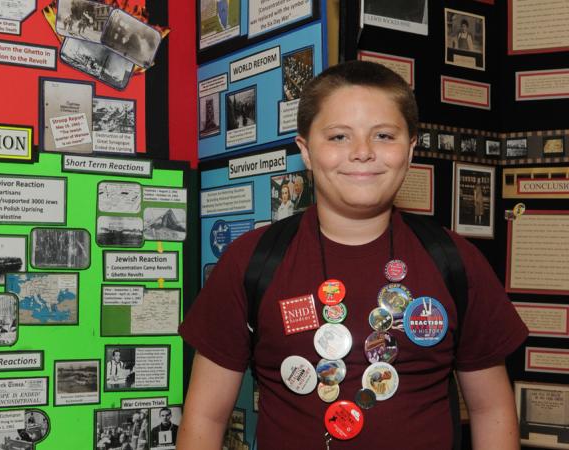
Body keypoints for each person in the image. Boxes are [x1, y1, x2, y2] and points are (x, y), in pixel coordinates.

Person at [177, 61, 527, 450]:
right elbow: (205, 418)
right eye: (339, 136)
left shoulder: (455, 261)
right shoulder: (252, 261)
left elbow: (491, 409)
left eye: (383, 135)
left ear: (410, 150)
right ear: (306, 152)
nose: (362, 152)